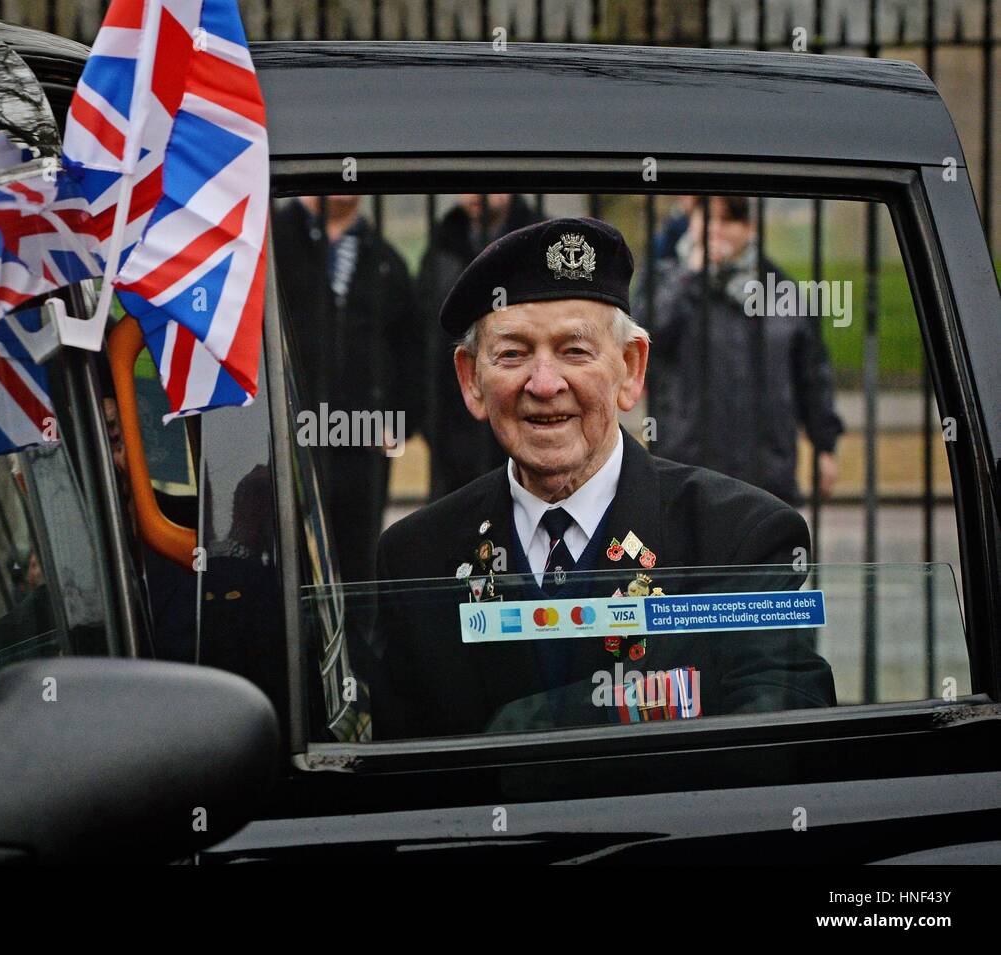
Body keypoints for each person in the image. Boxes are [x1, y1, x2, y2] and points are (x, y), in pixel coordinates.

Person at [371, 216, 836, 740]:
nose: (544, 385)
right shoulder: (416, 556)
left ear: (631, 370)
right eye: (513, 354)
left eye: (575, 351)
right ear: (470, 380)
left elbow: (783, 729)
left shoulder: (740, 537)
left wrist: (548, 722)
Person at [637, 196, 843, 505]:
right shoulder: (667, 280)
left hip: (765, 473)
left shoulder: (781, 290)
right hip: (685, 466)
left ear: (750, 227)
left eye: (729, 220)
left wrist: (824, 445)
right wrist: (691, 277)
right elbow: (646, 336)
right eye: (707, 219)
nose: (716, 230)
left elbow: (811, 372)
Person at [271, 195, 422, 584]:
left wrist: (397, 429)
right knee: (284, 565)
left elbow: (413, 354)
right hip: (283, 441)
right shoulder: (270, 241)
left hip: (361, 444)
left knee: (356, 573)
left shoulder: (384, 259)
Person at [418, 194, 539, 499]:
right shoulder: (441, 248)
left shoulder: (538, 242)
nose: (474, 194)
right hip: (453, 428)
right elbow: (423, 340)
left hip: (526, 413)